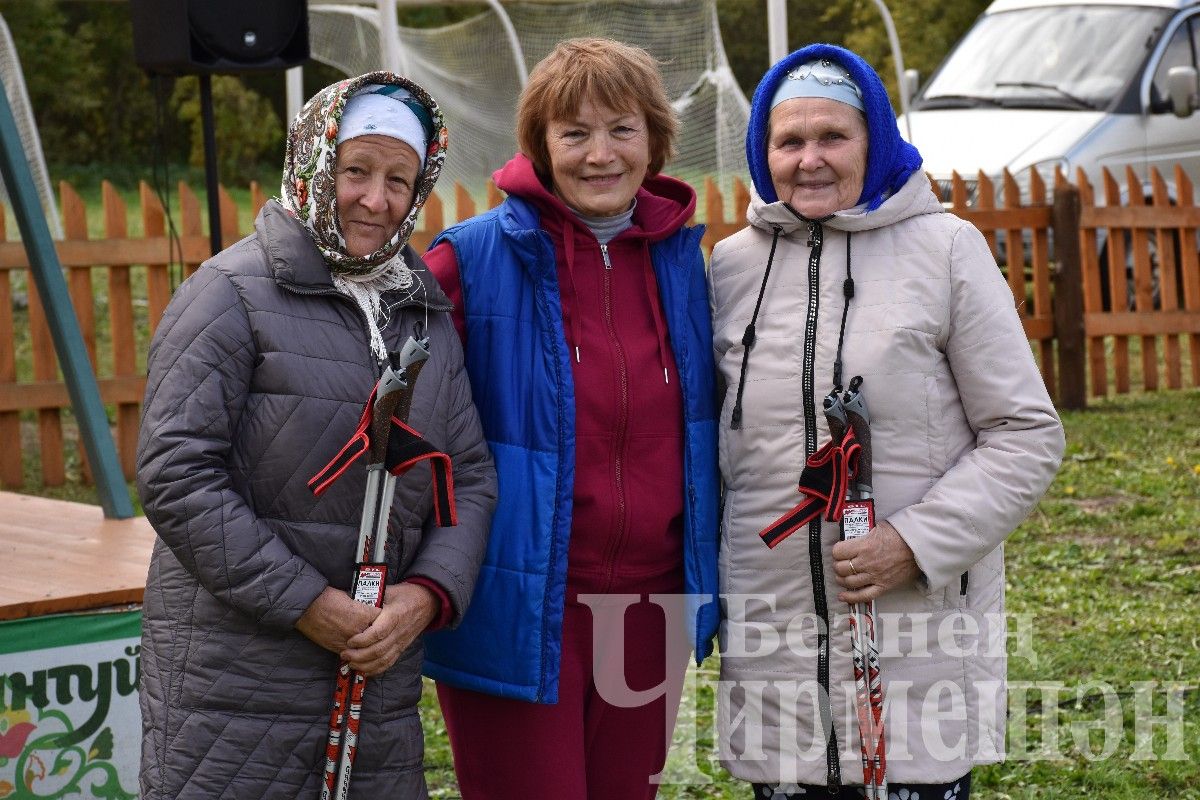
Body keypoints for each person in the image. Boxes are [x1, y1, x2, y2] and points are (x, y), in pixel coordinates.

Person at [709, 44, 1065, 799]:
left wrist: (913, 543)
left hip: (914, 645)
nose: (810, 159)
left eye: (832, 137)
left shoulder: (947, 251)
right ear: (760, 151)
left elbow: (1026, 433)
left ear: (874, 140)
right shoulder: (731, 268)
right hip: (776, 651)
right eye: (789, 140)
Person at [135, 72, 496, 799]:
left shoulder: (419, 309)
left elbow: (470, 475)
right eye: (356, 170)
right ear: (313, 161)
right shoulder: (229, 294)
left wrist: (422, 599)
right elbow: (177, 475)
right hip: (233, 687)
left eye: (400, 179)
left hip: (375, 681)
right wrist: (310, 605)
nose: (376, 198)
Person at [420, 37, 720, 799]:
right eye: (573, 133)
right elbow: (401, 423)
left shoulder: (686, 263)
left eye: (622, 128)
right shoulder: (471, 260)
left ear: (653, 140)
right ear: (540, 146)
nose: (600, 154)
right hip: (518, 601)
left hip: (650, 607)